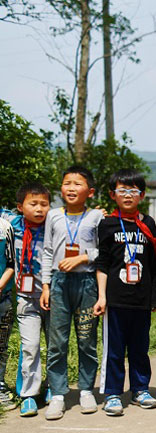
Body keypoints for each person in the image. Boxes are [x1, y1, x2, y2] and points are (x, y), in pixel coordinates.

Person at [93, 170, 156, 416]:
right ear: (113, 195)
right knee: (114, 349)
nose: (128, 195)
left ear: (142, 195)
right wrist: (102, 297)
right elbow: (102, 263)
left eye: (133, 190)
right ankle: (112, 393)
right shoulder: (107, 223)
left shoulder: (149, 224)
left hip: (141, 299)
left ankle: (140, 389)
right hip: (116, 299)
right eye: (123, 190)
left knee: (139, 348)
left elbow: (155, 265)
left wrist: (155, 296)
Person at [41, 166, 104, 420]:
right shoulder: (53, 216)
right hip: (59, 283)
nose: (71, 188)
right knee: (57, 341)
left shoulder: (97, 218)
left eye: (78, 184)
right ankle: (57, 393)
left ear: (90, 191)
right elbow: (47, 251)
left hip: (87, 282)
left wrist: (82, 257)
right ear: (60, 188)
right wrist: (46, 285)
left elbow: (104, 252)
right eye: (67, 183)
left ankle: (86, 389)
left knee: (87, 339)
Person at [1, 183, 51, 416]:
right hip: (25, 298)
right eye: (33, 204)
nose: (39, 209)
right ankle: (29, 394)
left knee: (55, 346)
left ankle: (54, 387)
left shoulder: (53, 225)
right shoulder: (12, 225)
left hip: (51, 296)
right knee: (30, 346)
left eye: (44, 204)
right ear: (21, 207)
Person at [0, 215, 14, 410]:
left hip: (3, 297)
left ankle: (0, 386)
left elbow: (12, 263)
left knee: (1, 345)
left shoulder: (5, 227)